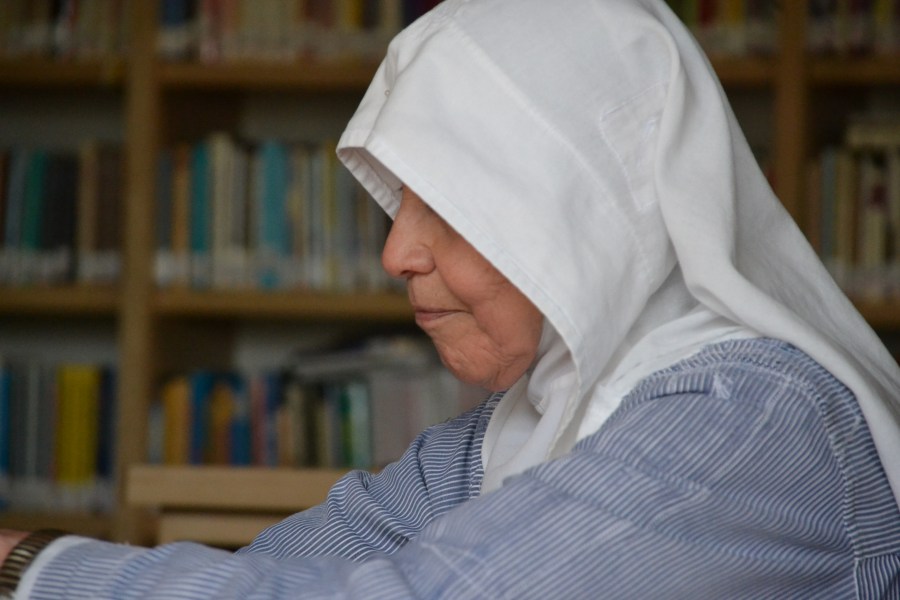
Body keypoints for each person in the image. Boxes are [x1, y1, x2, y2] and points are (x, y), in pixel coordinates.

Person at [3, 0, 900, 597]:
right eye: (399, 206)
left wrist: (27, 566)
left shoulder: (748, 421)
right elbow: (284, 569)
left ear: (586, 217)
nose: (395, 252)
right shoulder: (517, 426)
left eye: (454, 209)